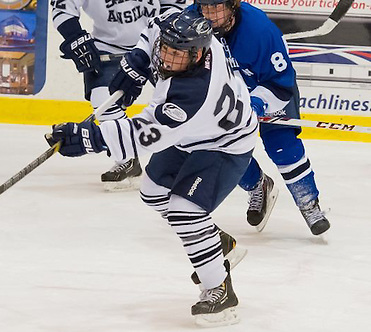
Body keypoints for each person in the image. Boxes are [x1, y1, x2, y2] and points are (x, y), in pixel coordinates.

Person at [48, 9, 258, 326]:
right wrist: (137, 60)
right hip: (193, 135)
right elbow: (153, 26)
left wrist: (87, 137)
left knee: (184, 210)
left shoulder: (190, 95)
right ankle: (217, 243)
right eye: (166, 51)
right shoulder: (187, 36)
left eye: (178, 55)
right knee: (152, 191)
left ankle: (219, 289)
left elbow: (140, 135)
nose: (169, 59)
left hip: (224, 143)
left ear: (198, 54)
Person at [190, 0, 330, 235]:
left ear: (232, 5)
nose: (210, 15)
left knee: (282, 147)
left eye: (217, 8)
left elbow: (280, 83)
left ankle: (309, 204)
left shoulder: (260, 31)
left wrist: (255, 104)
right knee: (222, 148)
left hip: (269, 89)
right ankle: (258, 186)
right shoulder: (190, 22)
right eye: (205, 8)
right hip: (225, 96)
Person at [50, 0, 187, 191]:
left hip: (160, 43)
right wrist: (75, 38)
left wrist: (161, 35)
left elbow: (174, 5)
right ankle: (128, 159)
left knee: (180, 102)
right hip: (109, 47)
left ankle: (191, 154)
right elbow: (63, 7)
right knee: (103, 102)